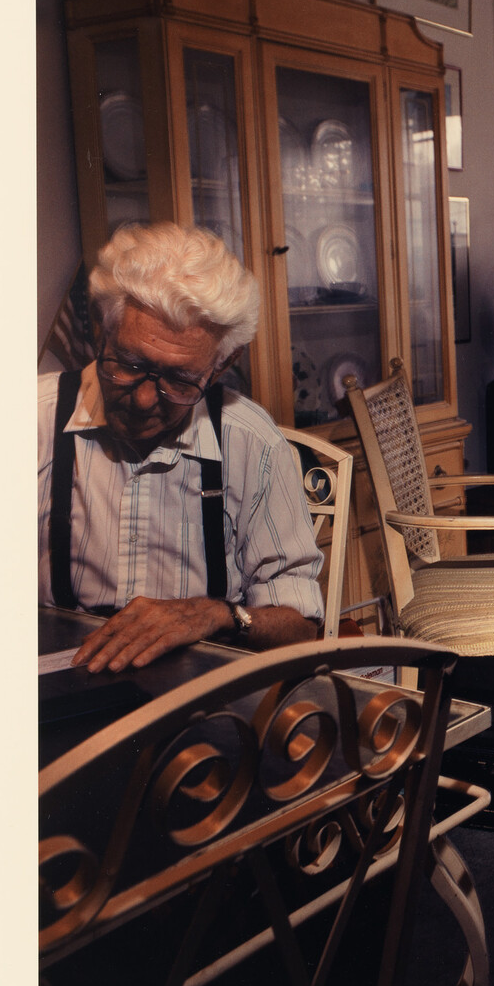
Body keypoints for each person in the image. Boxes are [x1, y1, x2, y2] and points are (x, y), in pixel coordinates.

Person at [38, 222, 326, 671]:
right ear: (101, 332)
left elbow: (302, 628)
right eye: (129, 365)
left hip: (197, 700)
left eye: (179, 380)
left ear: (222, 365)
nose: (146, 399)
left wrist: (217, 615)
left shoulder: (251, 442)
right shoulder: (29, 424)